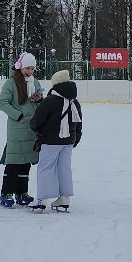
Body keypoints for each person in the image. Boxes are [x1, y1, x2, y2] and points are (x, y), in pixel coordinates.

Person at [28, 69, 83, 212]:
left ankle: (41, 200)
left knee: (45, 168)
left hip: (51, 141)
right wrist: (75, 139)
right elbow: (78, 123)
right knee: (64, 168)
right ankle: (64, 198)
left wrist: (35, 128)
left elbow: (37, 121)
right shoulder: (74, 101)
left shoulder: (50, 101)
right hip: (68, 141)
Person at [0, 52, 42, 207]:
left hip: (31, 128)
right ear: (21, 67)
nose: (30, 71)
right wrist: (18, 115)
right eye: (28, 68)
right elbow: (3, 103)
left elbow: (38, 103)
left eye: (32, 69)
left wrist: (39, 100)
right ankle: (6, 193)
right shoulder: (11, 83)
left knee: (26, 163)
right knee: (14, 162)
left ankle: (22, 192)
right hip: (17, 127)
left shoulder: (35, 82)